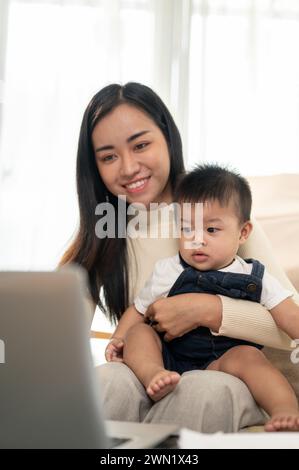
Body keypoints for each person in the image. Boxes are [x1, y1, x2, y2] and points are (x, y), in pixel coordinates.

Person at [60, 82, 299, 432]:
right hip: (154, 368)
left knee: (204, 391)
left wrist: (207, 309)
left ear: (167, 139)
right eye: (108, 156)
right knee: (107, 381)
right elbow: (54, 334)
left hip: (223, 370)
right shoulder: (102, 234)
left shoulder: (221, 217)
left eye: (141, 145)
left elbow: (285, 328)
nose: (127, 168)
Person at [106, 164, 299, 431]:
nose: (197, 240)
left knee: (250, 358)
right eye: (187, 229)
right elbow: (138, 310)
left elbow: (288, 314)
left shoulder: (255, 275)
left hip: (223, 362)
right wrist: (119, 338)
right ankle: (153, 376)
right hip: (170, 358)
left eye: (211, 230)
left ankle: (285, 411)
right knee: (139, 333)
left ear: (242, 233)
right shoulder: (168, 269)